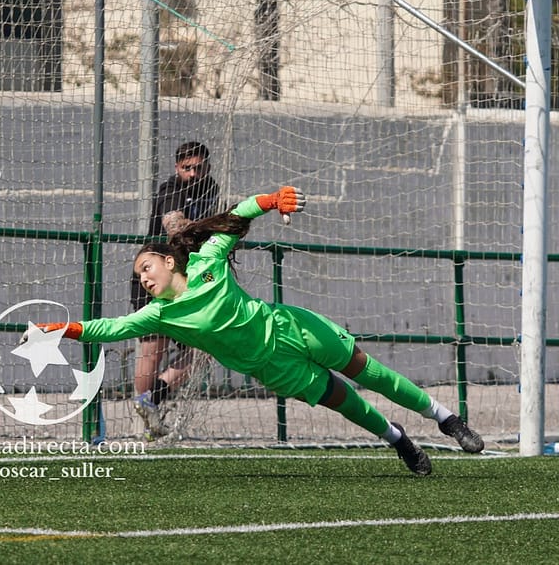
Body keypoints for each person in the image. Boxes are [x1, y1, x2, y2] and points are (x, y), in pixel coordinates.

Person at [27, 186, 484, 475]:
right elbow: (109, 327)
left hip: (291, 329)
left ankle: (446, 419)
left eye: (147, 267)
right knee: (351, 406)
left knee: (372, 374)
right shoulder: (159, 314)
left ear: (169, 260)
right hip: (275, 368)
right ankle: (398, 440)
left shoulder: (207, 262)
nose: (144, 278)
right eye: (139, 275)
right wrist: (62, 329)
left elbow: (237, 215)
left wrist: (272, 199)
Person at [130, 141, 222, 440]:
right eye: (187, 168)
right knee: (153, 347)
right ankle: (143, 423)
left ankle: (152, 400)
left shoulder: (211, 189)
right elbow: (175, 226)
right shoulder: (171, 189)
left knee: (204, 349)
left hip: (185, 279)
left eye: (199, 167)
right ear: (176, 168)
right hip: (154, 273)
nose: (194, 174)